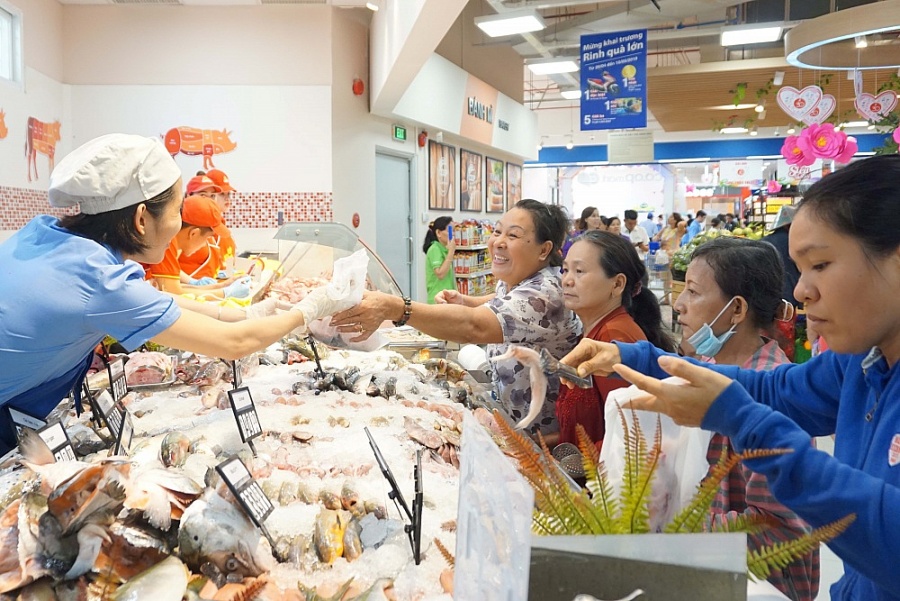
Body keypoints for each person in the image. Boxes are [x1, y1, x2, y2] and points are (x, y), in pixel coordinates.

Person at [560, 155, 900, 601]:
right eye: (799, 271)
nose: (800, 292)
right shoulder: (862, 363)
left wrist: (741, 421)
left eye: (820, 265)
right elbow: (773, 391)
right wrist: (634, 356)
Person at [0, 134, 351, 454]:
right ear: (141, 219)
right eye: (177, 211)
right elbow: (234, 343)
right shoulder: (99, 280)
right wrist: (310, 309)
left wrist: (243, 312)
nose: (179, 225)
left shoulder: (45, 233)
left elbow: (155, 300)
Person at [331, 199, 580, 434]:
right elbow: (500, 301)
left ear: (544, 249)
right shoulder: (519, 278)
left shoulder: (545, 293)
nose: (498, 242)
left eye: (513, 235)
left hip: (543, 440)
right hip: (513, 422)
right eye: (497, 232)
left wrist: (396, 308)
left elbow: (474, 327)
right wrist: (466, 301)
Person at [671, 237, 817, 598]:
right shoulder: (707, 368)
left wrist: (673, 529)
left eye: (692, 292)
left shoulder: (772, 397)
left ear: (736, 310)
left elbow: (780, 528)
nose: (678, 305)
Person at [555, 231, 674, 447]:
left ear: (617, 284)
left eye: (579, 271)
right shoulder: (595, 331)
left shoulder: (614, 337)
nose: (567, 281)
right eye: (565, 270)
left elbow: (626, 438)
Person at [144, 194, 247, 299]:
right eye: (206, 239)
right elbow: (173, 293)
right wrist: (225, 293)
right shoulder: (168, 241)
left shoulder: (171, 240)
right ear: (193, 233)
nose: (204, 245)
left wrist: (219, 286)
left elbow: (176, 288)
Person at [179, 168, 238, 280]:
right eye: (203, 195)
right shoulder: (179, 228)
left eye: (213, 196)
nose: (209, 200)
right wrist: (192, 282)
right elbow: (167, 269)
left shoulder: (212, 227)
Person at [423, 216, 456, 303]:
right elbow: (440, 274)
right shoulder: (435, 249)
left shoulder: (445, 249)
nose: (453, 234)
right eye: (450, 231)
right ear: (438, 233)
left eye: (454, 230)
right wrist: (451, 252)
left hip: (447, 297)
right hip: (437, 299)